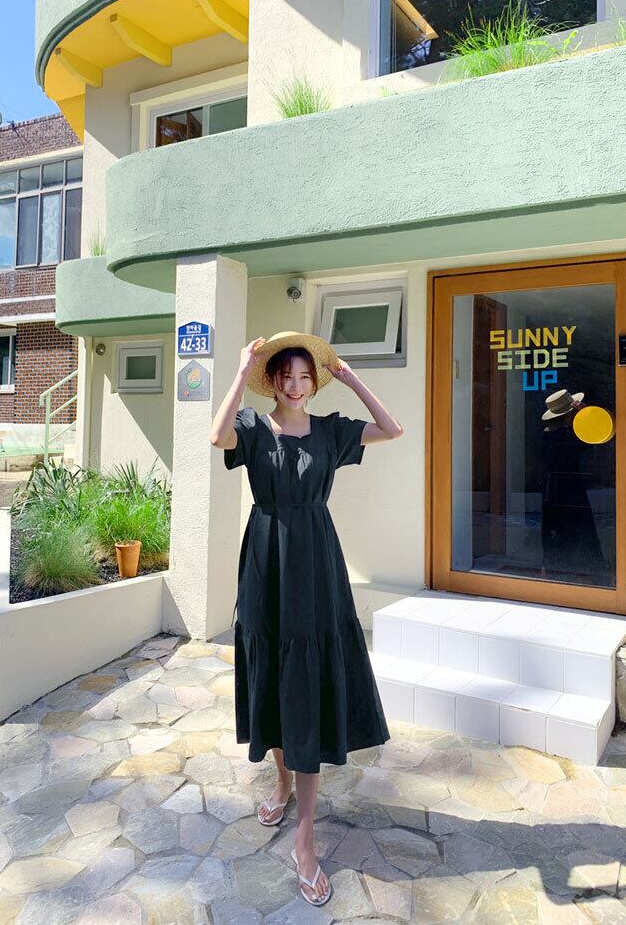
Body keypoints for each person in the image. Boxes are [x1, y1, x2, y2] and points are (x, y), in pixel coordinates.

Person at [210, 330, 403, 906]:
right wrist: (239, 370)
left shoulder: (331, 431)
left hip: (316, 562)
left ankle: (305, 839)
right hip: (265, 559)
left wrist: (351, 377)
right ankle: (282, 781)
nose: (295, 386)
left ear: (313, 383)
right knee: (272, 672)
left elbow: (392, 429)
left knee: (307, 683)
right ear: (272, 382)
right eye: (285, 377)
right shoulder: (251, 426)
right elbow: (216, 436)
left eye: (304, 377)